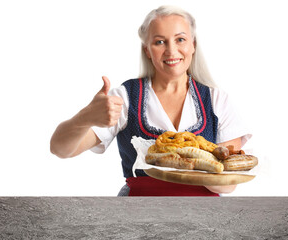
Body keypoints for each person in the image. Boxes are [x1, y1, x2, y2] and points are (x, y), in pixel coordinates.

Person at [50, 5, 251, 196]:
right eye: (159, 42)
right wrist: (85, 117)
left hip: (203, 217)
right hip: (138, 213)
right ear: (147, 50)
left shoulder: (216, 100)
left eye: (180, 39)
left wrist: (191, 161)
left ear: (193, 45)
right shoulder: (125, 97)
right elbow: (60, 149)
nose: (171, 51)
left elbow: (228, 185)